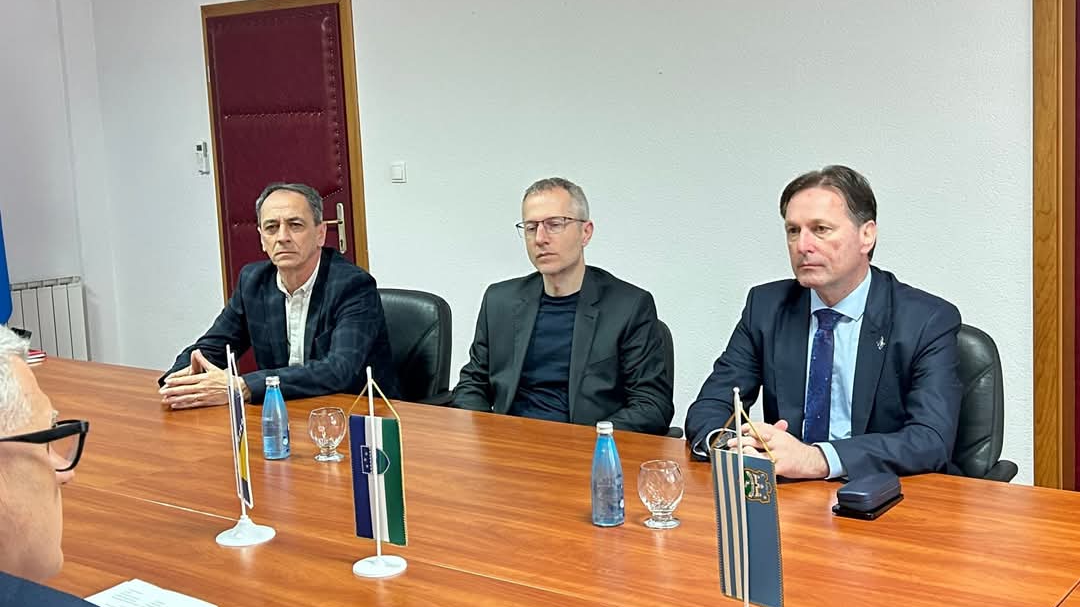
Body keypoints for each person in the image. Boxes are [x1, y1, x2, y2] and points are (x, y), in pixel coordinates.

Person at [0, 325, 325, 607]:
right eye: (49, 437)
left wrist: (236, 385)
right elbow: (200, 351)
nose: (66, 471)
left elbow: (339, 367)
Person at [685, 165, 962, 479]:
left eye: (820, 229)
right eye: (793, 231)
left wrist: (816, 459)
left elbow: (929, 439)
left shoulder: (926, 320)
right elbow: (712, 405)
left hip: (883, 493)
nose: (803, 246)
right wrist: (732, 446)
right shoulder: (765, 307)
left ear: (867, 235)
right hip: (789, 493)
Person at [452, 177, 673, 434]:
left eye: (554, 225)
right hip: (508, 443)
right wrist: (487, 436)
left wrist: (591, 441)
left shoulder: (629, 306)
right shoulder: (499, 300)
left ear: (585, 232)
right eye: (531, 227)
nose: (540, 238)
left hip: (585, 446)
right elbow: (472, 384)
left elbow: (651, 405)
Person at [159, 183, 397, 409]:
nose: (282, 237)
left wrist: (244, 386)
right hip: (286, 412)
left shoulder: (353, 286)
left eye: (295, 225)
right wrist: (178, 380)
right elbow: (212, 347)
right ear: (262, 238)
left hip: (359, 415)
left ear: (320, 233)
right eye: (272, 227)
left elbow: (338, 370)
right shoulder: (253, 282)